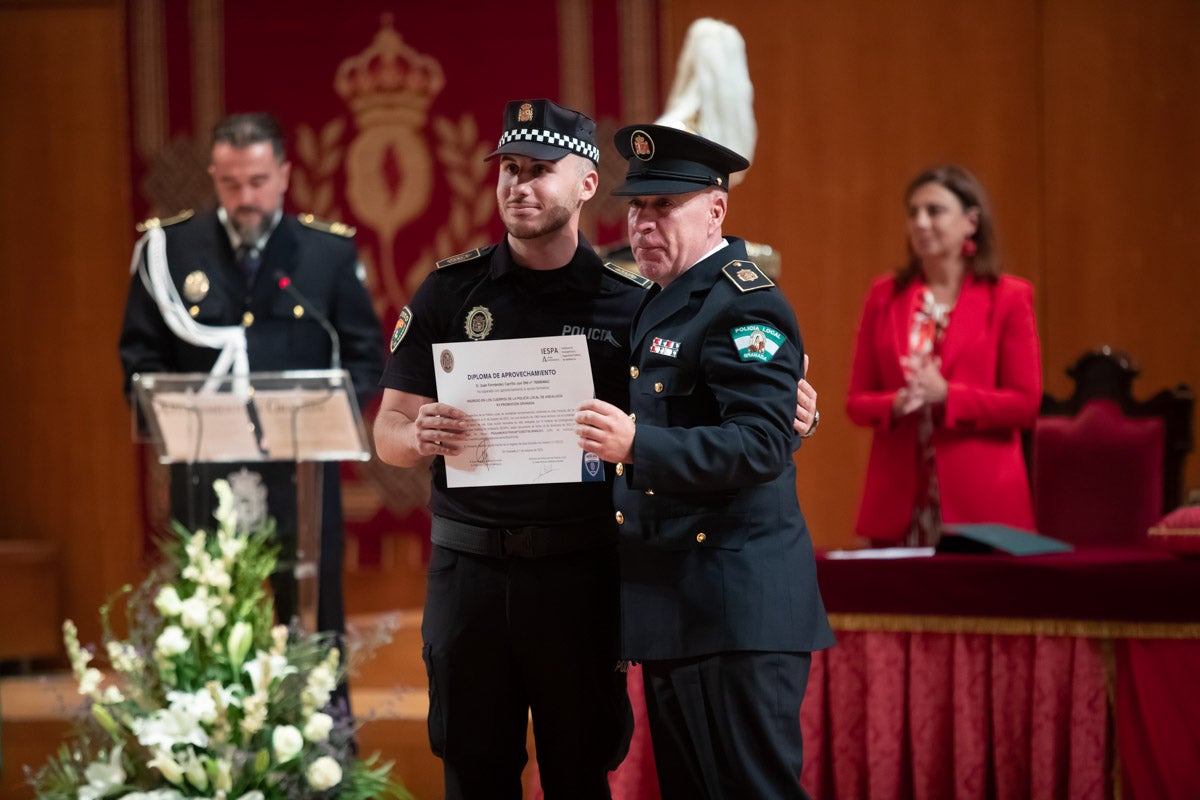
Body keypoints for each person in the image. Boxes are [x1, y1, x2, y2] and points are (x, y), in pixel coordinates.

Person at [373, 98, 642, 800]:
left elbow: (678, 421)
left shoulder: (630, 303)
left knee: (580, 774)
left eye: (540, 171)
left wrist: (793, 408)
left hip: (579, 574)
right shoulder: (450, 291)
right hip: (469, 575)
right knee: (473, 772)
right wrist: (417, 435)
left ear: (586, 183)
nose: (519, 185)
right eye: (509, 170)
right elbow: (388, 431)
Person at [575, 124, 834, 800]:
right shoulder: (659, 305)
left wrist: (638, 446)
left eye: (664, 207)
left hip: (737, 609)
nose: (643, 224)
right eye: (636, 207)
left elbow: (761, 444)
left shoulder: (745, 305)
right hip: (676, 606)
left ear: (716, 208)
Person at [118, 112, 384, 652]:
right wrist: (169, 415)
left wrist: (324, 418)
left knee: (313, 624)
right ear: (214, 176)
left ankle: (324, 734)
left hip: (300, 473)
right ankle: (209, 737)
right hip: (206, 472)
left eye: (259, 182)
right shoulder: (171, 249)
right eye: (231, 183)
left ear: (284, 174)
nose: (246, 197)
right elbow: (139, 354)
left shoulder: (325, 252)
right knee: (206, 627)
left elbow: (365, 353)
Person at [845, 164, 1041, 546]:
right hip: (900, 504)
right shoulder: (884, 296)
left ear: (971, 221)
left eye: (934, 211)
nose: (920, 222)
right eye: (913, 211)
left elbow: (1025, 404)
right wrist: (898, 402)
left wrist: (948, 395)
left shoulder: (1009, 297)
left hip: (983, 505)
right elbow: (856, 402)